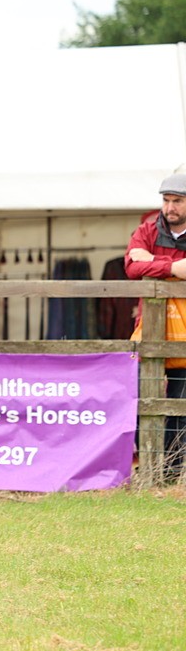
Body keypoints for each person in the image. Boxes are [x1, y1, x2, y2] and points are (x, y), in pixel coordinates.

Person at [125, 172, 186, 483]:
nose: (170, 207)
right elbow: (131, 267)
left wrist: (150, 261)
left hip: (185, 335)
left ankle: (172, 472)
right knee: (134, 397)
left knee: (180, 404)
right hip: (148, 330)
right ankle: (146, 466)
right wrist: (173, 267)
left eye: (177, 201)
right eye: (166, 200)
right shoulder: (147, 230)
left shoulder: (148, 238)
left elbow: (141, 264)